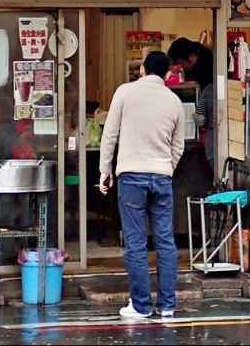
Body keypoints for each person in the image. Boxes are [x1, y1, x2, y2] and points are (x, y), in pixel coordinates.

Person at [99, 50, 185, 319]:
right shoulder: (174, 101)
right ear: (168, 74)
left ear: (142, 70)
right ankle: (168, 306)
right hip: (162, 177)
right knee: (165, 242)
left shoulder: (125, 92)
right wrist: (166, 168)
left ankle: (141, 306)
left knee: (136, 243)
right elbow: (178, 146)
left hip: (131, 177)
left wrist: (105, 170)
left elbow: (109, 135)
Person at [167, 37, 216, 175]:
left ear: (191, 56)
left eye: (180, 63)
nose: (180, 68)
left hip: (210, 132)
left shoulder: (211, 64)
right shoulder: (194, 64)